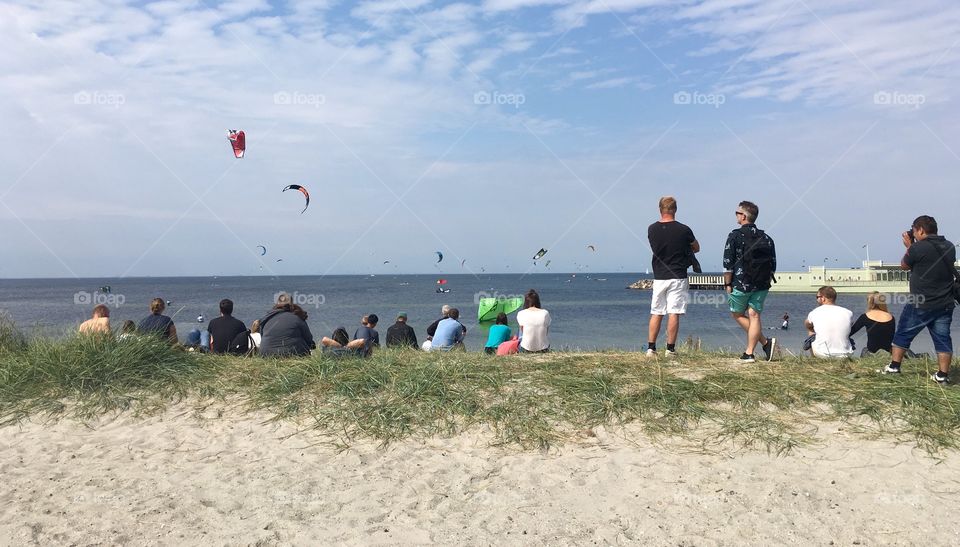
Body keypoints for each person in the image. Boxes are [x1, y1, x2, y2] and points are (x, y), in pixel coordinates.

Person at [883, 215, 956, 384]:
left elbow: (904, 265)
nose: (913, 234)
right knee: (943, 339)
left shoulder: (917, 248)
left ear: (921, 230)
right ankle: (942, 376)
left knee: (903, 333)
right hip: (945, 302)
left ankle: (894, 367)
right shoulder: (950, 246)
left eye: (914, 231)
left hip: (920, 301)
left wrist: (909, 246)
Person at [646, 196, 700, 358]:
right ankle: (670, 349)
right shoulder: (684, 230)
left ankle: (651, 348)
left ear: (660, 209)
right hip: (678, 274)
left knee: (657, 312)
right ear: (675, 210)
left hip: (659, 276)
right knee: (674, 312)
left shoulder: (651, 229)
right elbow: (696, 248)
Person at [723, 201, 777, 362]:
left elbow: (727, 264)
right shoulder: (767, 238)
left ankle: (756, 349)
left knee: (737, 314)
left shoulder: (734, 235)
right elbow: (773, 265)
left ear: (744, 216)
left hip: (741, 283)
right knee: (754, 315)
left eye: (737, 213)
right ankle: (759, 348)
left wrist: (727, 284)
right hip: (762, 284)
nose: (736, 215)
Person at [803, 286, 854, 358]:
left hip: (822, 353)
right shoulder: (848, 312)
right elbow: (851, 324)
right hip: (846, 354)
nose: (817, 299)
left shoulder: (814, 312)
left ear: (823, 298)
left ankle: (814, 359)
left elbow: (807, 324)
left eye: (817, 297)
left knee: (811, 330)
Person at [851, 292, 895, 356]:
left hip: (872, 352)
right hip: (888, 351)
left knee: (864, 350)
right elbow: (892, 336)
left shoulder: (865, 316)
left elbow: (851, 332)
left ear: (870, 303)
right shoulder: (891, 317)